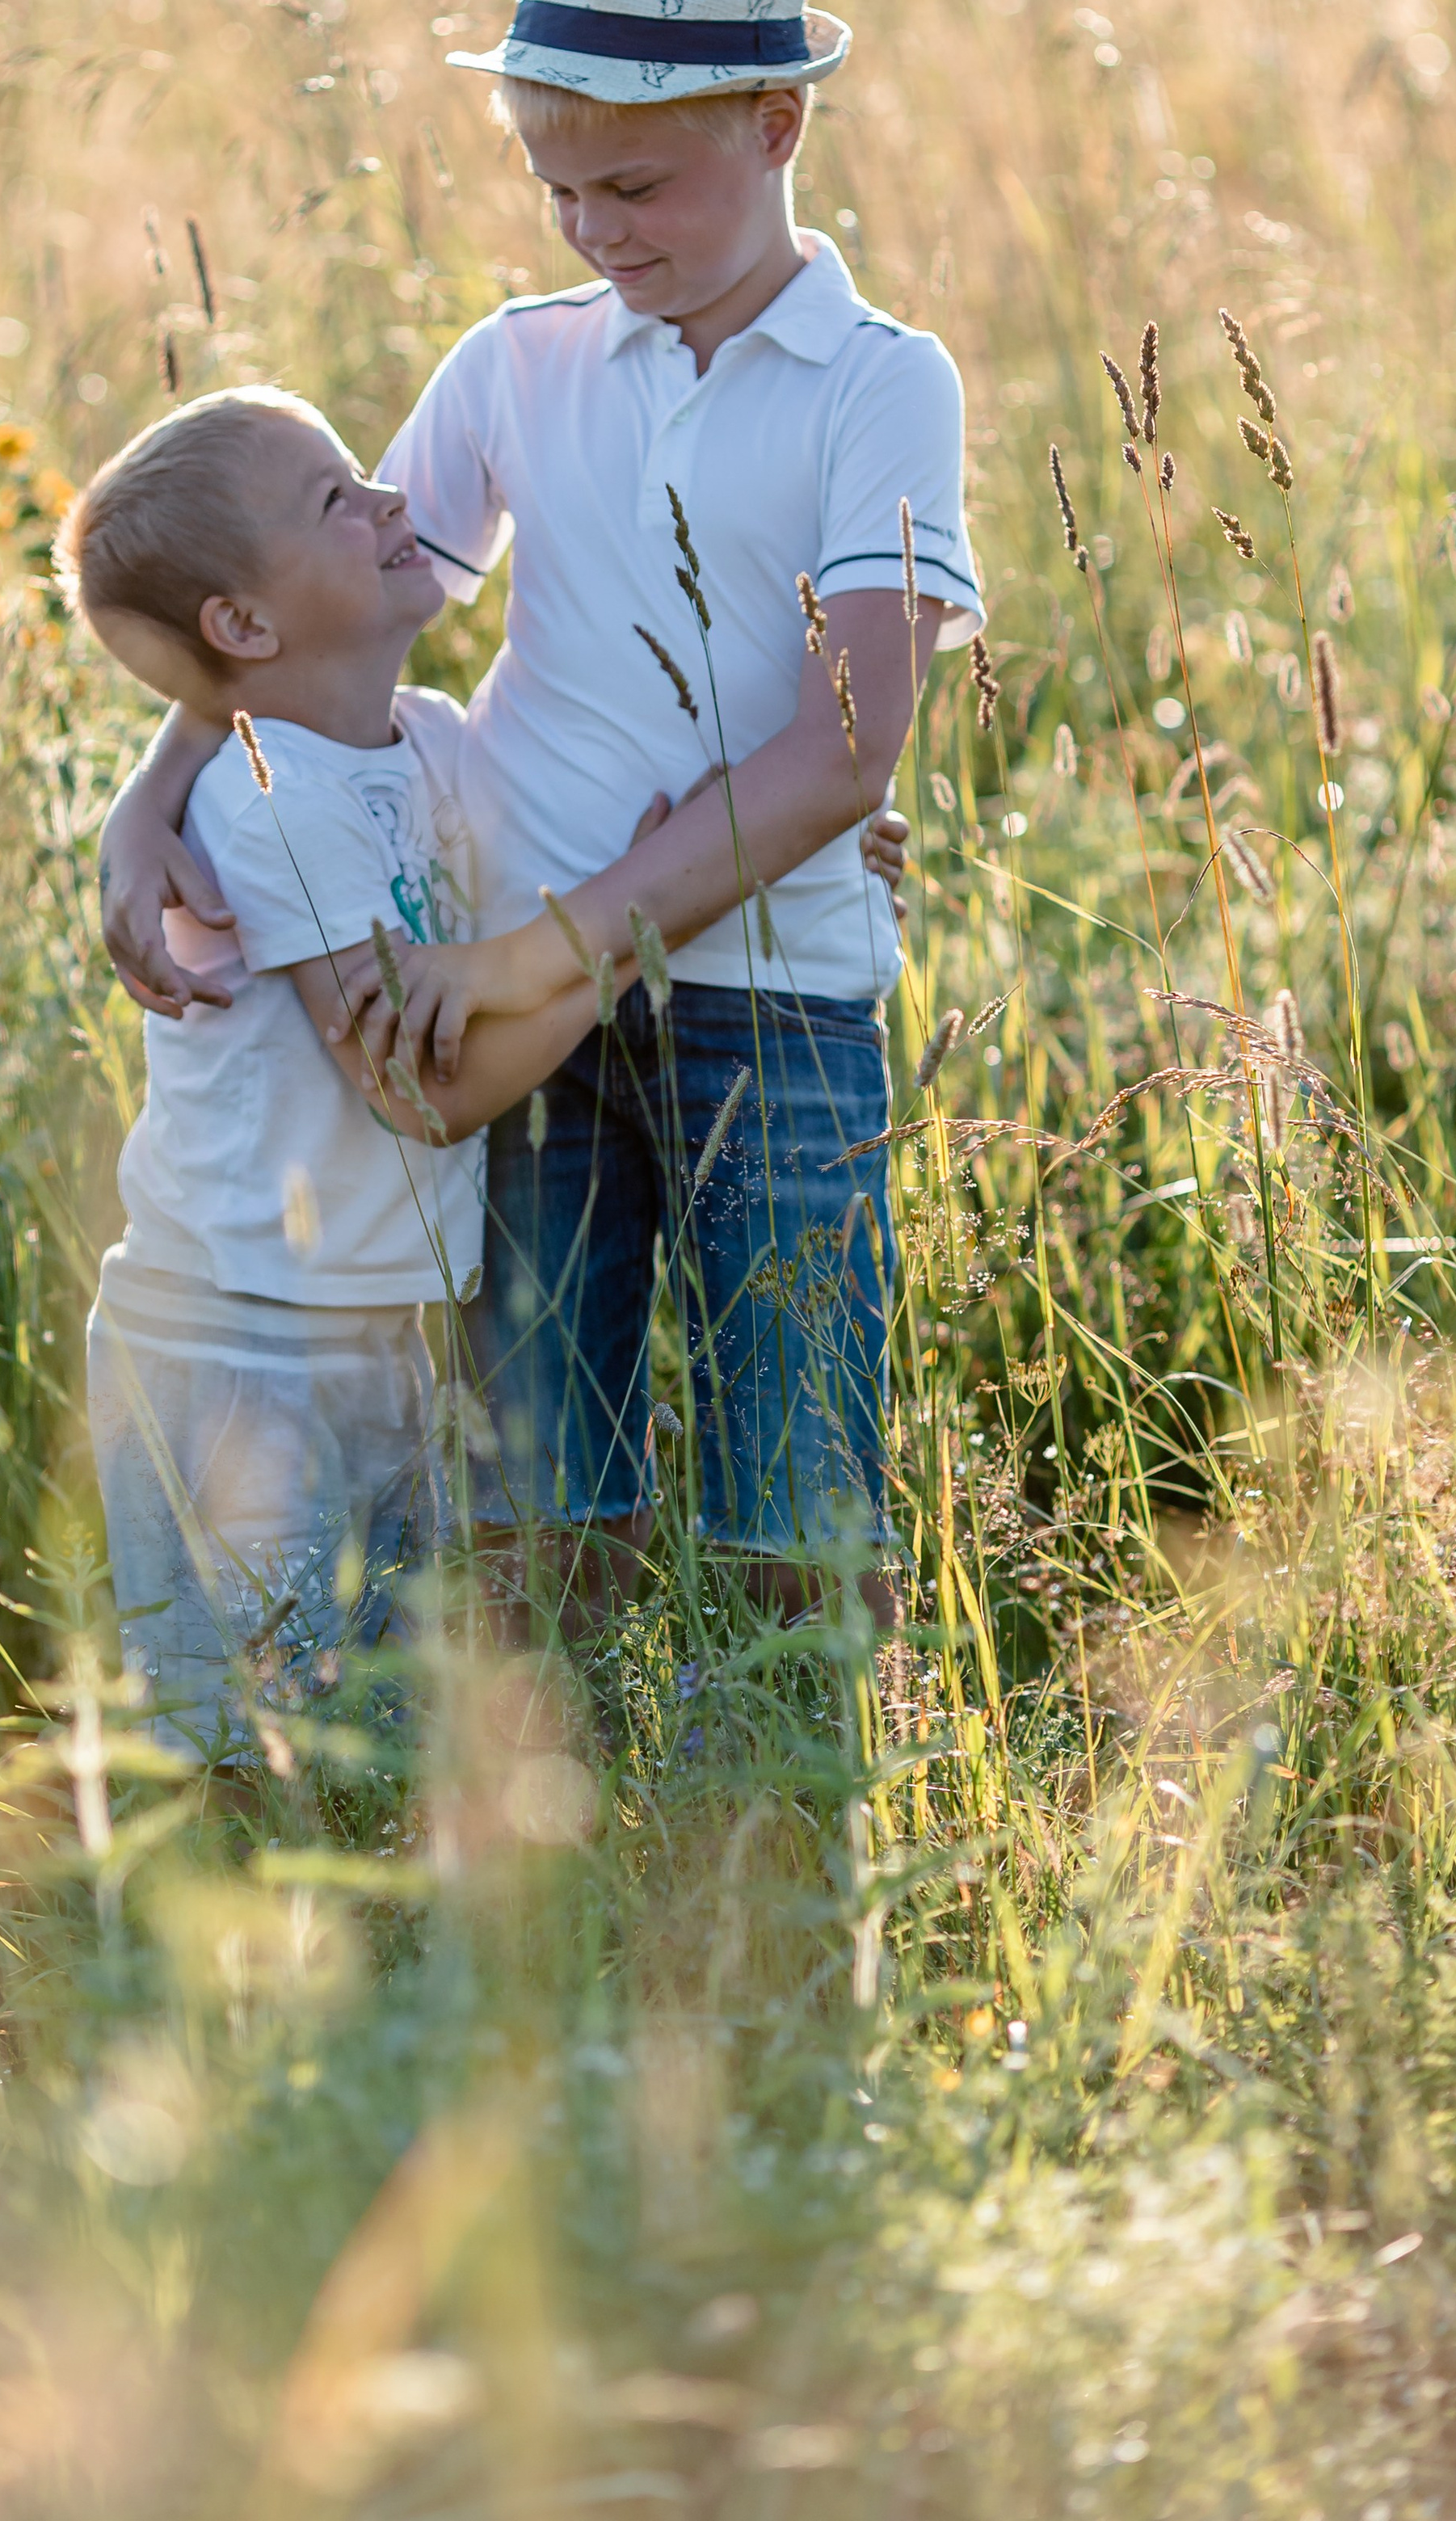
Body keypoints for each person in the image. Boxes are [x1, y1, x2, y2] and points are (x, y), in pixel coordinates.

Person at [95, 0, 983, 1619]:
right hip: (514, 1027)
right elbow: (307, 618)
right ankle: (552, 1853)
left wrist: (556, 942)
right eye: (554, 187)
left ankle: (788, 1861)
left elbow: (845, 747)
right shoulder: (522, 363)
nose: (590, 227)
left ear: (776, 125)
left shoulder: (880, 383)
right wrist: (151, 796)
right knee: (535, 1506)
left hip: (774, 997)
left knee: (800, 1511)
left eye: (632, 187)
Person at [63, 380, 909, 1753]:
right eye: (339, 497)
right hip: (230, 1348)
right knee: (241, 1731)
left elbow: (597, 854)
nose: (395, 497)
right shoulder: (267, 807)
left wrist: (795, 837)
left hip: (374, 1331)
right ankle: (199, 1961)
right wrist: (635, 939)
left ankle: (368, 1957)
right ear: (245, 626)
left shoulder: (433, 746)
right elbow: (425, 1093)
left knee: (373, 1722)